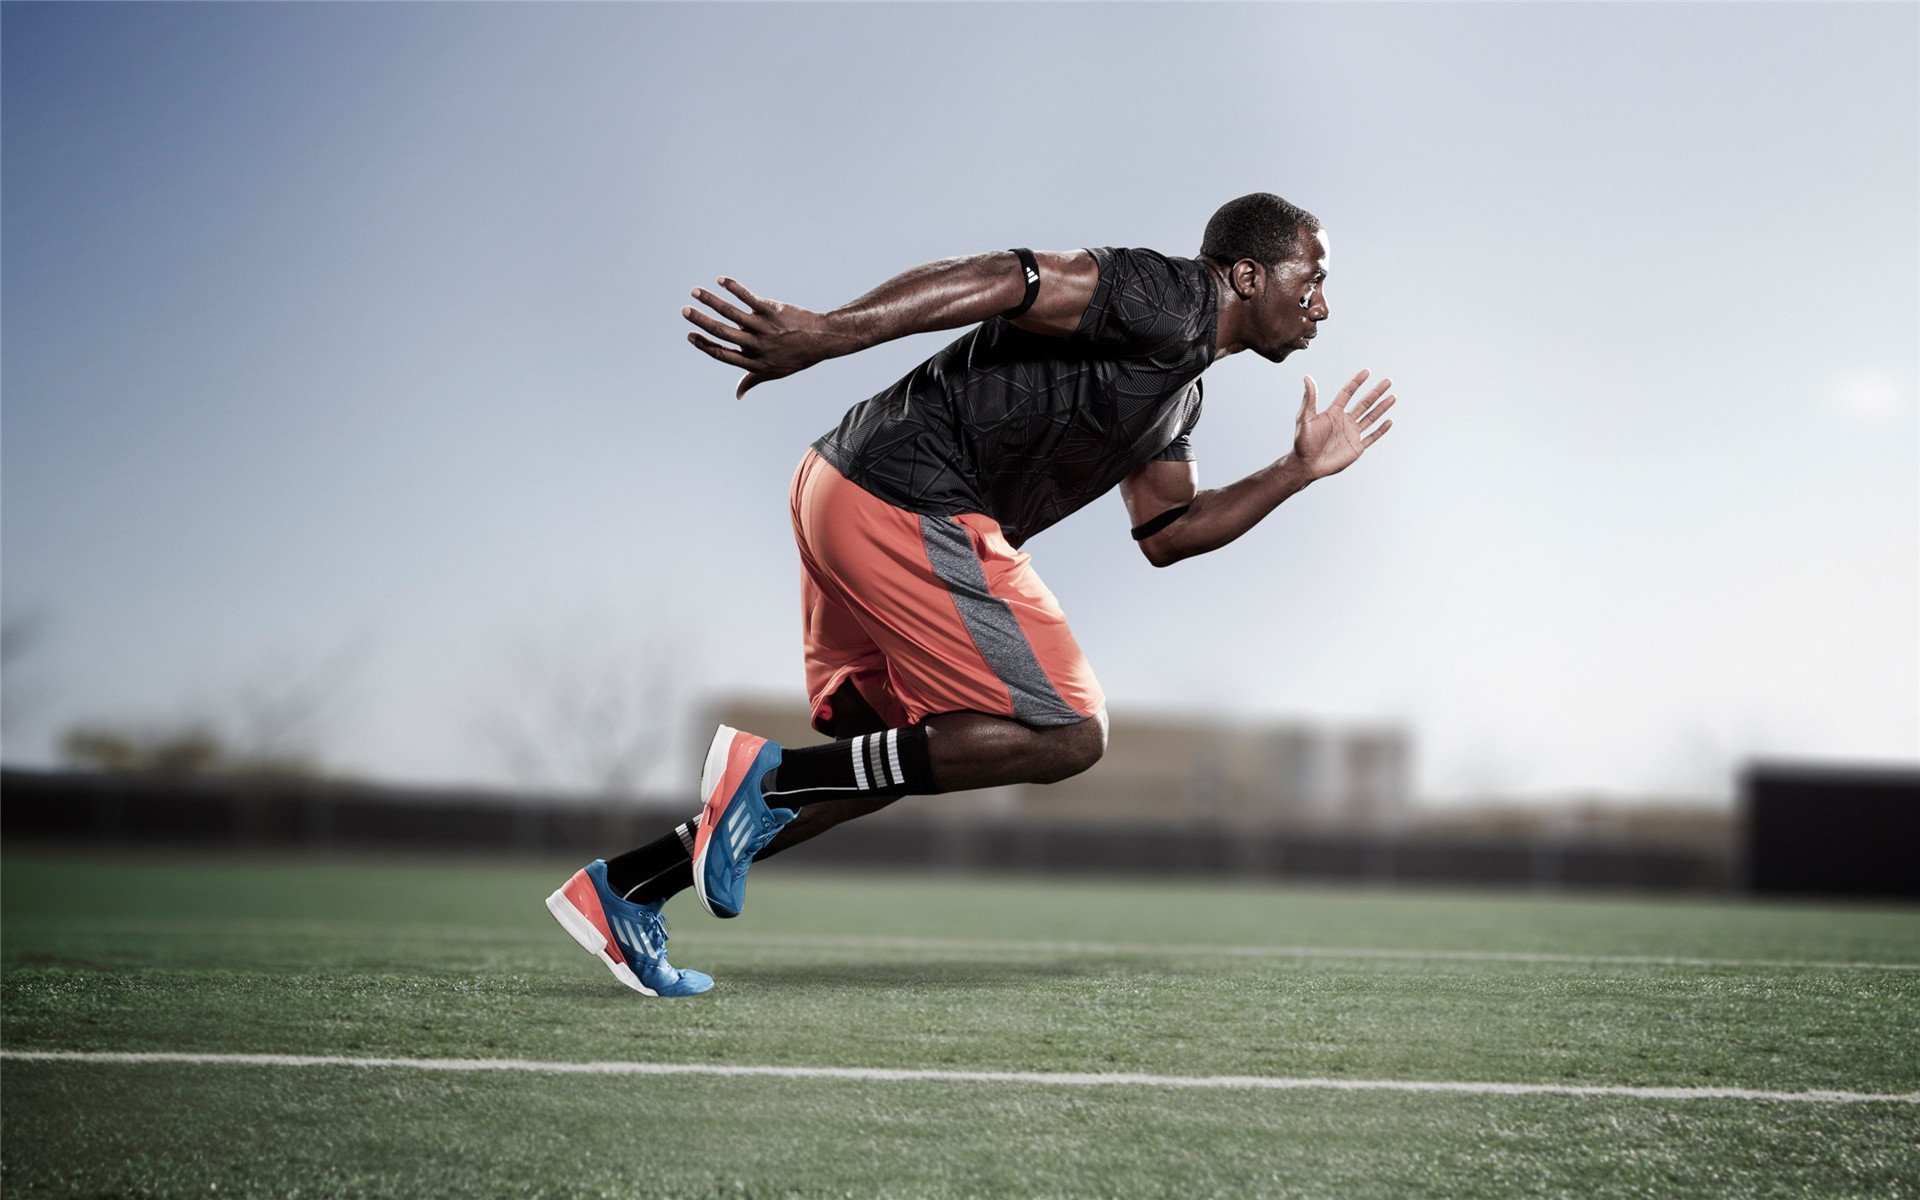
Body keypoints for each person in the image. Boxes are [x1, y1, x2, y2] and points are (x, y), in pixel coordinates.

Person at [545, 192, 1397, 997]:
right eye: (1311, 279)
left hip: (840, 486)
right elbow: (1006, 276)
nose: (1321, 305)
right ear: (1249, 276)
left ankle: (628, 890)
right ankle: (763, 782)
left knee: (882, 762)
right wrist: (828, 335)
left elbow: (1169, 533)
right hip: (906, 495)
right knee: (1069, 732)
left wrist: (1296, 471)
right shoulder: (1167, 294)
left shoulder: (1181, 389)